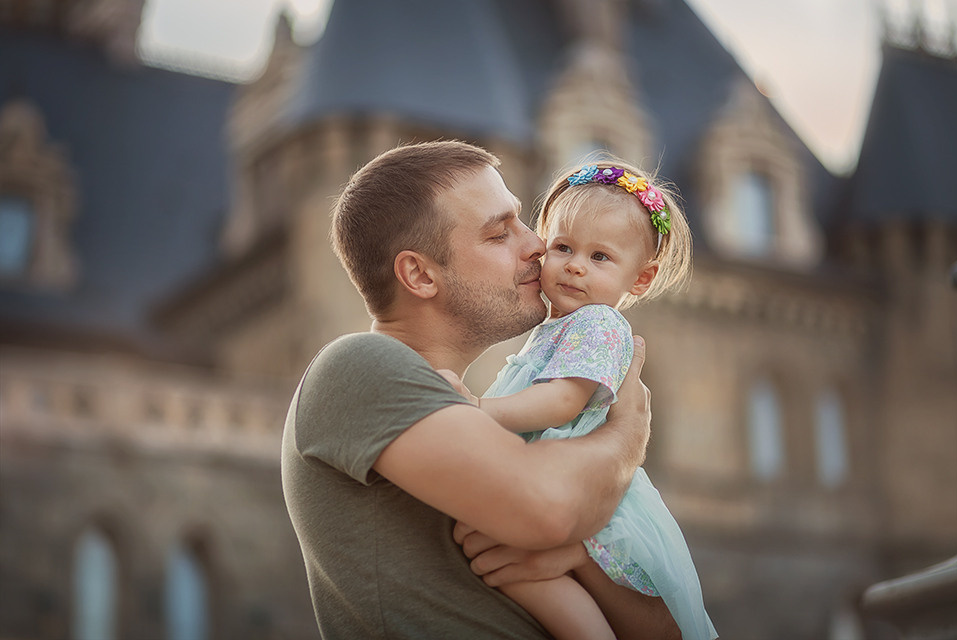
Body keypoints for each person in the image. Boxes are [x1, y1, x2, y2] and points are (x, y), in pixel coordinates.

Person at [280, 141, 674, 639]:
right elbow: (550, 510)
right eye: (499, 233)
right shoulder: (357, 366)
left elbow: (666, 632)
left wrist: (580, 556)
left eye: (523, 221)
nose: (537, 245)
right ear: (420, 274)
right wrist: (630, 433)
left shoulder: (479, 409)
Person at [441, 158, 717, 640]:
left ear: (641, 280)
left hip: (582, 496)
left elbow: (562, 402)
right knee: (526, 576)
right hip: (555, 484)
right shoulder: (559, 329)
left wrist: (478, 411)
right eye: (563, 247)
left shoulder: (599, 324)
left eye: (600, 258)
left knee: (533, 579)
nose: (574, 265)